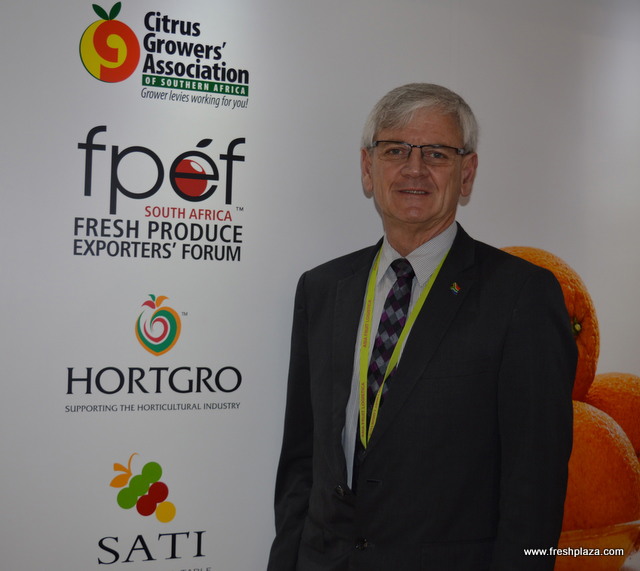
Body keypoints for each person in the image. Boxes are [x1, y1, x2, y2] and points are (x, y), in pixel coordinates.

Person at [267, 83, 577, 570]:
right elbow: (301, 459)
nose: (414, 168)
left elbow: (534, 487)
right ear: (368, 168)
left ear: (466, 174)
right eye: (395, 150)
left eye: (437, 153)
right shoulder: (323, 288)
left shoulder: (522, 296)